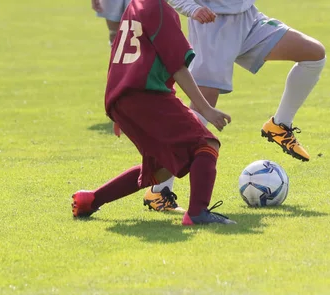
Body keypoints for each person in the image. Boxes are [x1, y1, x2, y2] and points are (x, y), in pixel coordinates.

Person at [72, 0, 236, 225]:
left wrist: (118, 111)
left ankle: (90, 200)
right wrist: (206, 109)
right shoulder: (159, 9)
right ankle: (197, 213)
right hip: (147, 96)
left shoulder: (134, 5)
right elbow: (178, 66)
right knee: (206, 144)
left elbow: (118, 57)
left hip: (123, 98)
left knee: (160, 170)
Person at [147, 0, 327, 197]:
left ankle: (280, 124)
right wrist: (192, 8)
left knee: (314, 54)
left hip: (248, 18)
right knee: (198, 116)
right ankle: (159, 192)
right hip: (212, 25)